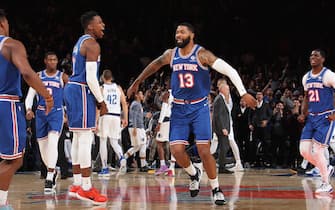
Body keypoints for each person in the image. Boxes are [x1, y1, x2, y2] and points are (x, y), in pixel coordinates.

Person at [127, 22, 256, 205]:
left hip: (199, 108)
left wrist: (243, 92)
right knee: (177, 150)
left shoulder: (202, 54)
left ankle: (216, 188)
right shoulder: (171, 54)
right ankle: (194, 174)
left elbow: (230, 70)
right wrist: (138, 81)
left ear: (192, 35)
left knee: (204, 150)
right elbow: (154, 65)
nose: (178, 34)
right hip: (179, 109)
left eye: (182, 31)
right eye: (176, 32)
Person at [0, 9, 53, 209]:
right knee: (14, 160)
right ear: (3, 23)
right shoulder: (11, 44)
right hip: (6, 103)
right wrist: (46, 95)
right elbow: (27, 73)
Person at [63, 10, 108, 205]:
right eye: (100, 23)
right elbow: (90, 78)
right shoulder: (92, 44)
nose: (103, 25)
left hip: (72, 90)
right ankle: (87, 188)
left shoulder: (80, 42)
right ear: (90, 26)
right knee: (85, 138)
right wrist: (101, 101)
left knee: (77, 138)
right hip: (81, 90)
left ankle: (77, 183)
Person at [25, 51, 68, 193]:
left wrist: (68, 112)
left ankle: (49, 176)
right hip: (41, 113)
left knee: (53, 141)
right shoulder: (38, 76)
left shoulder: (62, 77)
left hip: (56, 112)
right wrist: (28, 109)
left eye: (54, 59)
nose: (52, 62)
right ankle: (53, 170)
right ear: (45, 61)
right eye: (49, 59)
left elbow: (68, 96)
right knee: (43, 148)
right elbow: (30, 94)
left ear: (57, 61)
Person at [298, 49, 335, 194]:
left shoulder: (328, 75)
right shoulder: (306, 77)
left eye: (316, 55)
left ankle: (326, 184)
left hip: (325, 117)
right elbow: (306, 97)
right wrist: (303, 113)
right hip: (312, 117)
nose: (313, 57)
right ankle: (326, 168)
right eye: (311, 55)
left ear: (323, 59)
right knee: (304, 151)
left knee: (318, 150)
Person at [97, 69, 128, 176]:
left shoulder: (102, 88)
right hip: (116, 116)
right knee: (114, 141)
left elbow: (99, 106)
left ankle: (105, 167)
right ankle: (122, 158)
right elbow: (124, 104)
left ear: (102, 78)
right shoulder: (118, 88)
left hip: (105, 116)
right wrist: (125, 118)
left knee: (103, 141)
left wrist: (96, 121)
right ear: (112, 78)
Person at [154, 76, 176, 176]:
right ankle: (172, 168)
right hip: (175, 120)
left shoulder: (167, 94)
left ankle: (163, 166)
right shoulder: (179, 94)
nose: (166, 84)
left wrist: (159, 123)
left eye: (167, 82)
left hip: (166, 120)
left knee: (159, 142)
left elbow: (163, 109)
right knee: (173, 144)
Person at [124, 90, 149, 172]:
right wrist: (134, 128)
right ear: (137, 95)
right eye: (141, 94)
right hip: (137, 128)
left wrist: (145, 114)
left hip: (139, 127)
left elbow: (138, 115)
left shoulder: (138, 104)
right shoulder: (136, 104)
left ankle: (143, 165)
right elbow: (133, 117)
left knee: (139, 146)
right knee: (140, 145)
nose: (143, 95)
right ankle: (123, 159)